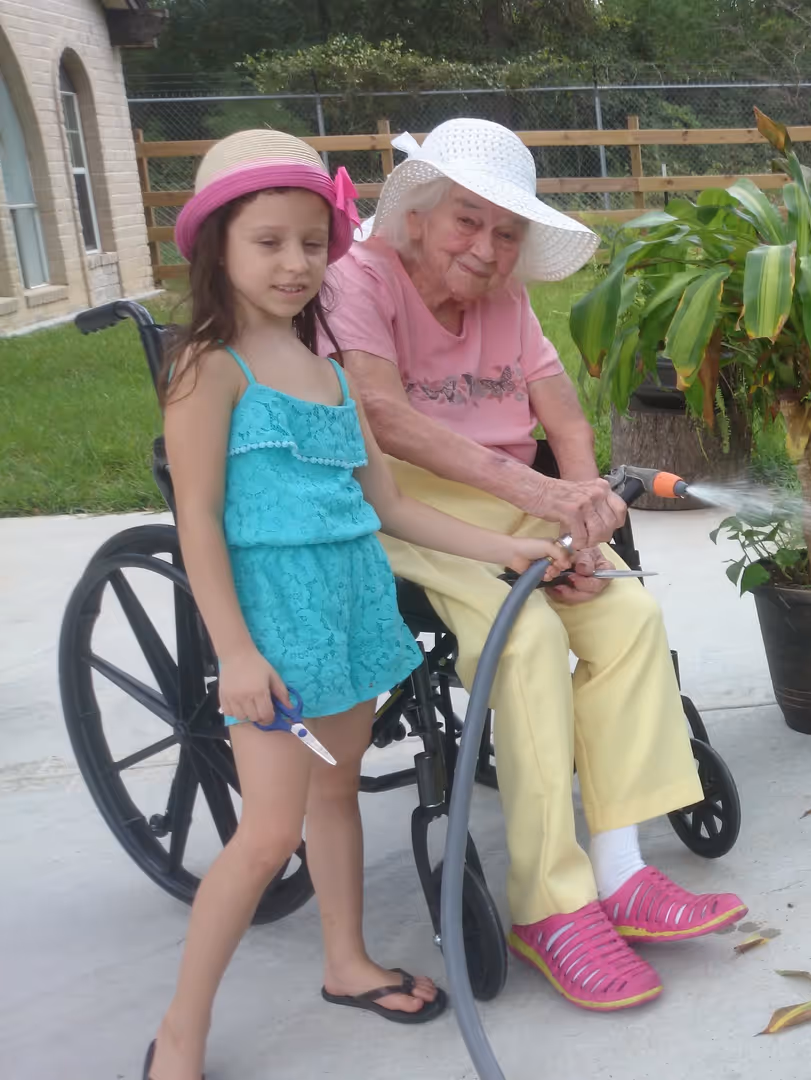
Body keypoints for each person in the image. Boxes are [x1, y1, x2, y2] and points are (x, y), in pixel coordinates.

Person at [147, 129, 572, 1080]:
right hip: (276, 627)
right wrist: (237, 654)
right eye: (269, 242)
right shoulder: (208, 368)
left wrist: (510, 546)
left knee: (335, 798)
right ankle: (181, 1030)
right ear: (217, 245)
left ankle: (345, 964)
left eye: (311, 242)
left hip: (351, 612)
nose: (296, 264)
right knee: (264, 839)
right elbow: (200, 524)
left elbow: (392, 507)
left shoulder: (332, 374)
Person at [323, 118, 747, 1014]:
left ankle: (622, 873)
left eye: (506, 230)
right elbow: (385, 419)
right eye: (467, 222)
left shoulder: (506, 298)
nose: (487, 248)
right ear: (421, 216)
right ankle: (550, 907)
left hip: (518, 499)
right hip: (407, 508)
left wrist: (585, 508)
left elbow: (564, 415)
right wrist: (540, 493)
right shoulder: (356, 281)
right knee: (519, 646)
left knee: (628, 617)